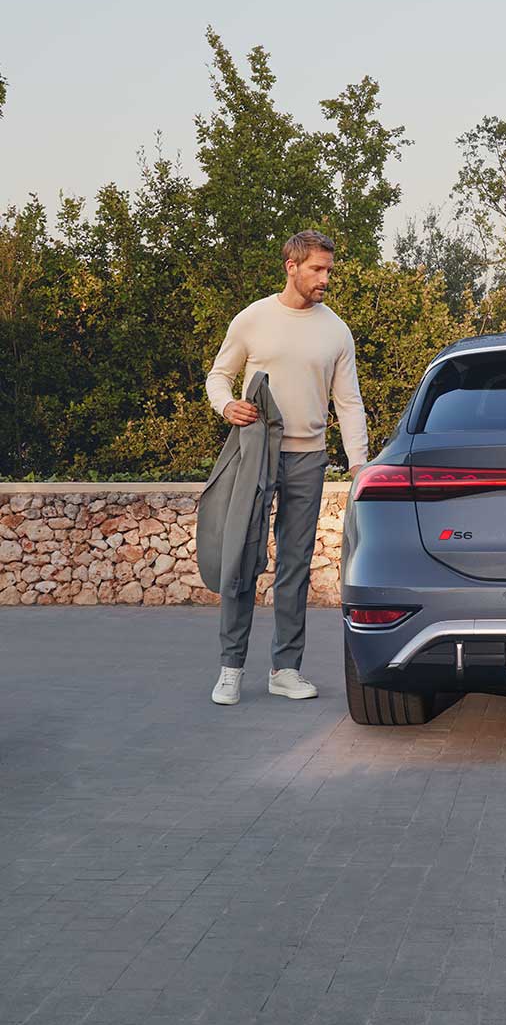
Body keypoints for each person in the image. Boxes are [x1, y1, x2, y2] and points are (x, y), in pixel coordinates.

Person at [204, 230, 368, 705]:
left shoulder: (336, 330)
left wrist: (359, 463)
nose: (325, 279)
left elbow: (349, 402)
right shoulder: (253, 318)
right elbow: (219, 375)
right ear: (291, 267)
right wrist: (226, 405)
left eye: (329, 270)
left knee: (294, 565)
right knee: (240, 555)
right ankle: (231, 667)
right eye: (317, 269)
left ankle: (285, 668)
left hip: (309, 458)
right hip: (255, 454)